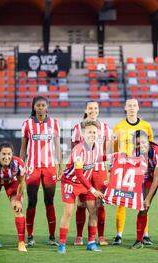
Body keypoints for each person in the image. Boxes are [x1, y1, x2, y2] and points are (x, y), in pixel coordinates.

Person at [20, 96, 63, 246]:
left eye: (43, 105)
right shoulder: (27, 124)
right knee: (32, 201)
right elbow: (23, 147)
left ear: (47, 107)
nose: (40, 107)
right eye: (38, 105)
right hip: (32, 167)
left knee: (49, 201)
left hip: (50, 167)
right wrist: (21, 164)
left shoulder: (54, 123)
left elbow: (58, 146)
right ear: (34, 107)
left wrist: (59, 166)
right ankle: (30, 237)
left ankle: (52, 237)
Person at [57, 120, 105, 254]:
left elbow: (100, 158)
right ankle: (61, 243)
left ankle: (91, 242)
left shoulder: (97, 147)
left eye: (94, 132)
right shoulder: (78, 149)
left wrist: (116, 156)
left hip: (86, 183)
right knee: (68, 212)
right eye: (89, 132)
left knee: (93, 211)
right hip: (70, 182)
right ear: (83, 134)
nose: (92, 134)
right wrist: (92, 189)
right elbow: (78, 174)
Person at [112, 98, 154, 245]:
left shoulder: (146, 126)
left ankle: (145, 235)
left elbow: (150, 147)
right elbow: (116, 148)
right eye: (129, 105)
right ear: (125, 108)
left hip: (141, 169)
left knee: (142, 203)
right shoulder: (118, 127)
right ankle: (118, 235)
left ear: (138, 108)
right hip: (124, 168)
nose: (131, 108)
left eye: (134, 105)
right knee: (121, 201)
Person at [72, 101, 112, 246]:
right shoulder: (77, 128)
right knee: (82, 203)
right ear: (85, 110)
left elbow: (106, 151)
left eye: (95, 108)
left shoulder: (106, 128)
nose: (93, 110)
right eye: (90, 108)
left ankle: (100, 236)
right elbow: (74, 150)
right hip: (84, 171)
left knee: (100, 202)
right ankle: (79, 236)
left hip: (100, 170)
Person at [130, 130, 158, 250]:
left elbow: (157, 178)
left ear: (148, 140)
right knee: (143, 207)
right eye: (138, 143)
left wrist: (148, 198)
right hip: (148, 175)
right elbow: (137, 174)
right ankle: (139, 241)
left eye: (143, 142)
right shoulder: (135, 153)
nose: (141, 145)